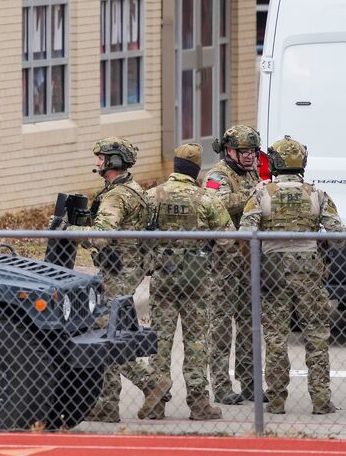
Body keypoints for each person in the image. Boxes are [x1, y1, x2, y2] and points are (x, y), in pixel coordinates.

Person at [71, 137, 171, 423]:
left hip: (118, 271)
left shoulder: (116, 196)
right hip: (127, 268)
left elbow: (101, 235)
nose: (97, 163)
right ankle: (108, 403)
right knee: (110, 333)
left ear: (114, 161)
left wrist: (70, 230)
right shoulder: (132, 189)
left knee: (105, 335)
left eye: (102, 158)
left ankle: (148, 384)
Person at [239, 136, 342, 415]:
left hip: (273, 267)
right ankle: (321, 400)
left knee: (275, 336)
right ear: (302, 163)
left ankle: (276, 401)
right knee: (317, 335)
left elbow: (245, 231)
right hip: (308, 265)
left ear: (273, 163)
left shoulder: (261, 193)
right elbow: (337, 233)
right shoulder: (316, 194)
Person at [142, 143, 235, 421]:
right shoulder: (206, 199)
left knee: (159, 341)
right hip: (197, 281)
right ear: (196, 169)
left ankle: (156, 403)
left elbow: (138, 232)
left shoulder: (153, 196)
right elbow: (228, 239)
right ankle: (199, 404)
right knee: (196, 343)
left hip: (163, 277)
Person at [203, 124, 262, 405]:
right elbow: (218, 203)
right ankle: (221, 385)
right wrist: (256, 195)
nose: (250, 156)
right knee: (221, 326)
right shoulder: (217, 175)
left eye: (253, 151)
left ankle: (250, 383)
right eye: (244, 152)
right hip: (224, 261)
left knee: (250, 324)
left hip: (248, 259)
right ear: (230, 151)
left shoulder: (251, 173)